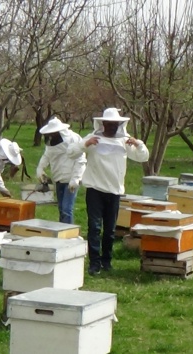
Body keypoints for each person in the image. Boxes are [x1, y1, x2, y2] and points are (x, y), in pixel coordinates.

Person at [68, 108, 149, 275]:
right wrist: (85, 144)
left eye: (115, 124)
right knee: (94, 227)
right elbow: (71, 152)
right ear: (103, 123)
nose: (112, 126)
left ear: (119, 124)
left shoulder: (124, 141)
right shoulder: (93, 138)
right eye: (109, 123)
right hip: (95, 190)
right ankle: (94, 263)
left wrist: (139, 144)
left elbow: (143, 157)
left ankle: (107, 261)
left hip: (115, 191)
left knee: (110, 230)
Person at [36, 117, 86, 224]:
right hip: (58, 178)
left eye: (54, 133)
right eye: (51, 133)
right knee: (61, 209)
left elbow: (81, 160)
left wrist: (76, 179)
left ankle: (68, 236)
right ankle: (62, 233)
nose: (52, 135)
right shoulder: (51, 142)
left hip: (71, 179)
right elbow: (47, 156)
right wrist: (40, 168)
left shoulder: (74, 138)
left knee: (67, 209)